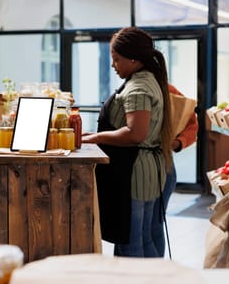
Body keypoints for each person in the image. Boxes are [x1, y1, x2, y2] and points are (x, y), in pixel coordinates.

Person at [82, 26, 173, 258]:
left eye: (116, 59)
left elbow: (135, 134)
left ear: (133, 59)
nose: (113, 65)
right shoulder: (150, 79)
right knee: (144, 237)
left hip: (134, 173)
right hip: (147, 170)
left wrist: (95, 137)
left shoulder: (138, 88)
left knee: (130, 243)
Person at [151, 85, 198, 258]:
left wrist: (177, 142)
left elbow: (192, 124)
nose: (113, 66)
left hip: (163, 165)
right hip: (146, 167)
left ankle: (155, 274)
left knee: (154, 223)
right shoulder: (131, 86)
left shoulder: (168, 90)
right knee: (150, 225)